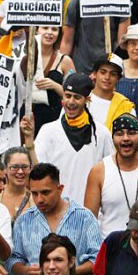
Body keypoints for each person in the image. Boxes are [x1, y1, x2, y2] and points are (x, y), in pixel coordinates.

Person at [8, 163, 102, 275]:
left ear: (60, 189)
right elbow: (12, 260)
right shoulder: (23, 221)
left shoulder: (84, 217)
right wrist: (26, 271)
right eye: (34, 193)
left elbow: (98, 259)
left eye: (45, 192)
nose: (39, 199)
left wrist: (70, 272)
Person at [27, 73, 114, 204]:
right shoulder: (48, 131)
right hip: (55, 208)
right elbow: (38, 171)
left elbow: (109, 173)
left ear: (87, 99)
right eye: (68, 96)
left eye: (77, 97)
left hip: (89, 210)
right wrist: (29, 143)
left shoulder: (101, 134)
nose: (71, 102)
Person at [85, 114, 138, 239]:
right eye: (119, 134)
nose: (125, 138)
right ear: (113, 138)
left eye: (131, 133)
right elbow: (89, 221)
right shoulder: (99, 171)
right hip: (111, 246)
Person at [28, 26, 75, 135]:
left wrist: (55, 86)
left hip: (54, 118)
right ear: (36, 30)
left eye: (54, 29)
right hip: (27, 117)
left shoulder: (65, 61)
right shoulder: (25, 57)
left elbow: (75, 94)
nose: (49, 33)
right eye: (45, 28)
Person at [88, 55, 135, 129]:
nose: (107, 77)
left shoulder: (125, 106)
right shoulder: (82, 98)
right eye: (103, 72)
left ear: (118, 78)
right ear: (95, 74)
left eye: (113, 74)